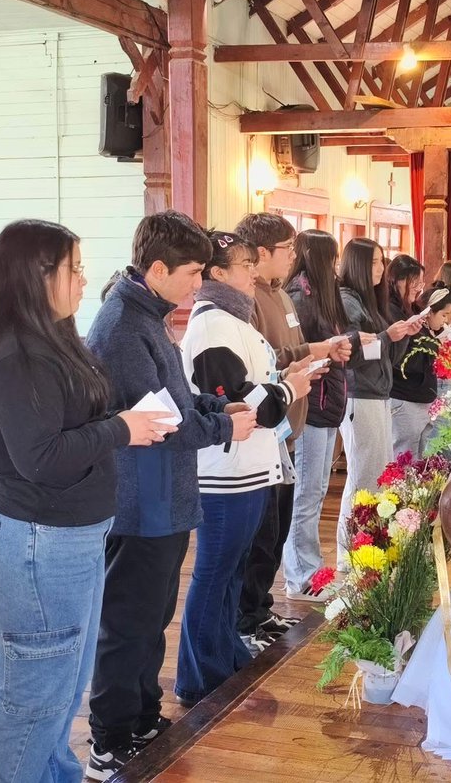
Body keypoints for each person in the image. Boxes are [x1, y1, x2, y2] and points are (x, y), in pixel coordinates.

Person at [0, 219, 177, 783]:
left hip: (66, 541)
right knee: (31, 702)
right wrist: (120, 430)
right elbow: (43, 459)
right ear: (36, 276)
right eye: (73, 269)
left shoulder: (52, 340)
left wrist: (121, 424)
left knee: (61, 694)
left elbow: (71, 425)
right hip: (35, 545)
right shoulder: (14, 356)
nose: (84, 280)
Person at [84, 211, 256, 780]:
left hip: (166, 494)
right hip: (140, 500)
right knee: (127, 622)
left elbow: (177, 400)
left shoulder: (149, 314)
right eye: (191, 271)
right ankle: (109, 739)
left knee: (154, 615)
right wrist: (225, 427)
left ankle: (141, 718)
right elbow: (159, 421)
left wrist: (217, 408)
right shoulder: (122, 326)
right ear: (156, 268)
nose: (198, 282)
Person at [176, 231, 313, 706]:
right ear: (217, 274)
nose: (253, 272)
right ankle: (198, 675)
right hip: (224, 473)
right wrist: (291, 389)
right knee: (214, 572)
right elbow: (239, 405)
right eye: (243, 265)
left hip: (251, 468)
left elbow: (258, 386)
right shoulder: (212, 326)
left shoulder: (237, 320)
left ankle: (226, 655)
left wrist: (283, 383)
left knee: (233, 572)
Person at [232, 213, 351, 654]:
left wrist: (310, 356)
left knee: (277, 524)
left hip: (289, 422)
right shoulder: (248, 299)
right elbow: (262, 359)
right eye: (286, 250)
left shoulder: (279, 294)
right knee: (261, 531)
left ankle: (261, 607)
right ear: (262, 253)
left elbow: (286, 351)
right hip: (267, 426)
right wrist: (305, 356)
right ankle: (246, 616)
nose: (293, 258)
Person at [338, 239, 421, 567]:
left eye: (381, 261)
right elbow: (353, 354)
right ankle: (350, 553)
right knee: (363, 475)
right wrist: (389, 336)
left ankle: (367, 545)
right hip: (360, 394)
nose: (380, 268)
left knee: (376, 473)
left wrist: (404, 335)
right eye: (374, 262)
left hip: (379, 392)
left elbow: (386, 354)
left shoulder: (370, 301)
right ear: (357, 264)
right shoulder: (347, 302)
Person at [282, 231, 352, 600]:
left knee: (317, 491)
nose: (336, 266)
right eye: (333, 258)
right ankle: (301, 575)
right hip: (309, 405)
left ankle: (310, 568)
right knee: (306, 495)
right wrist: (324, 355)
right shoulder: (299, 296)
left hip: (328, 404)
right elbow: (294, 353)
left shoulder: (324, 296)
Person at [390, 287, 451, 458]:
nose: (446, 321)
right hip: (406, 398)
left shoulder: (430, 331)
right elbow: (407, 361)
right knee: (405, 454)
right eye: (443, 315)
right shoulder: (415, 329)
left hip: (421, 400)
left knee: (420, 454)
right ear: (429, 312)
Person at [387, 254, 426, 322]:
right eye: (414, 282)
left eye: (420, 283)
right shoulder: (389, 309)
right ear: (396, 280)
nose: (418, 289)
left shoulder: (414, 308)